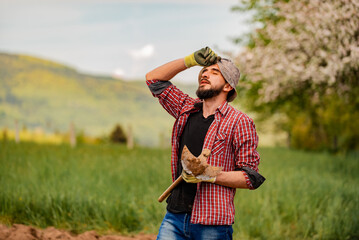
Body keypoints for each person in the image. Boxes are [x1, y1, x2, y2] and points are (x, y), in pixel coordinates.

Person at [145, 47, 265, 240]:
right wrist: (190, 60)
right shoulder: (186, 108)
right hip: (175, 216)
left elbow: (250, 178)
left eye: (214, 72)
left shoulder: (239, 122)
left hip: (212, 223)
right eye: (204, 71)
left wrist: (208, 175)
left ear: (228, 86)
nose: (206, 74)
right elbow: (153, 79)